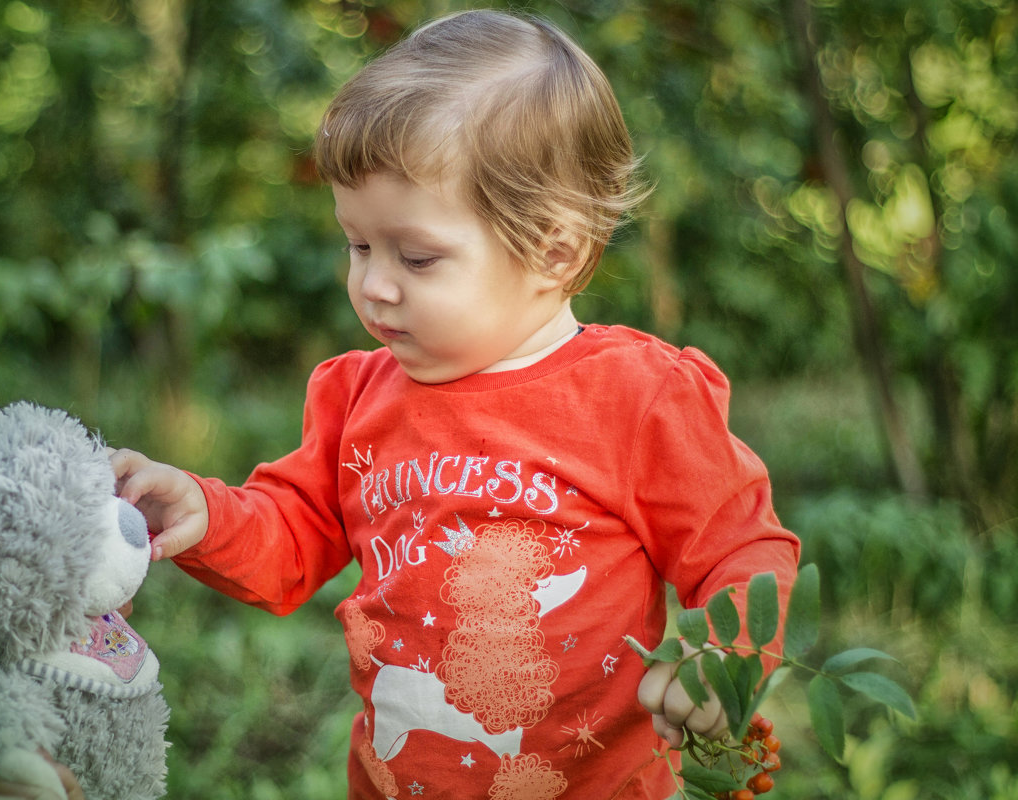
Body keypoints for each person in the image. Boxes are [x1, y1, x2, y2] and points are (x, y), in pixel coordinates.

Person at [111, 9, 800, 799]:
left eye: (417, 256)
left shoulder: (636, 398)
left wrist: (724, 656)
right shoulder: (356, 396)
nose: (373, 283)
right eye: (358, 245)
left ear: (553, 249)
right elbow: (294, 534)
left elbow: (743, 551)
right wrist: (209, 512)